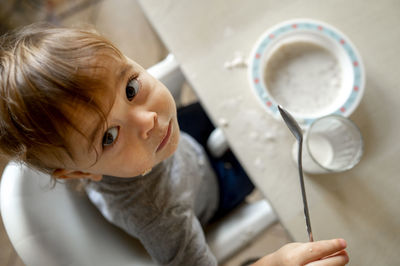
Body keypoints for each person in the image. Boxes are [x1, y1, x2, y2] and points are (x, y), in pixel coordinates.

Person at [0, 23, 349, 266]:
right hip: (214, 187)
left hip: (181, 149)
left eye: (131, 89)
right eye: (108, 136)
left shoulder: (144, 136)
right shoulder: (159, 214)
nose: (148, 120)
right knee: (275, 157)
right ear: (77, 172)